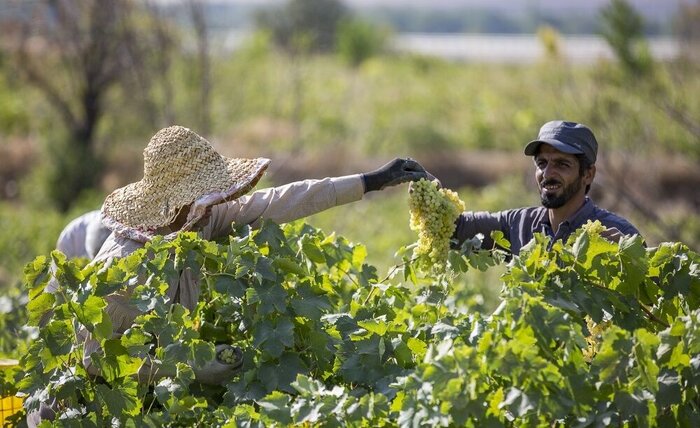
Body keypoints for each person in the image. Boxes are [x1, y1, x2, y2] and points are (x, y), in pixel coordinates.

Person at [78, 125, 429, 387]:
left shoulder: (197, 221)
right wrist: (194, 368)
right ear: (176, 203)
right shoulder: (125, 267)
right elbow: (94, 360)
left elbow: (277, 202)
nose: (217, 199)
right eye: (205, 192)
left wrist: (370, 181)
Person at [452, 120, 641, 254]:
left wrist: (628, 256)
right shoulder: (518, 225)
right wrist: (426, 186)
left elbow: (656, 293)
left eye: (562, 164)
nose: (548, 173)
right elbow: (457, 227)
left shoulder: (618, 234)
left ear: (588, 174)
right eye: (542, 163)